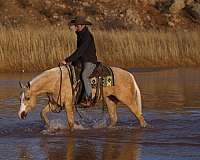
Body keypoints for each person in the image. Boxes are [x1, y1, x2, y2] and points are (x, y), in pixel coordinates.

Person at [61, 16, 97, 106]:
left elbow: (80, 51)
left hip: (90, 61)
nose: (75, 28)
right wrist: (71, 63)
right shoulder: (80, 34)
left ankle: (89, 98)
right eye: (75, 26)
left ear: (82, 25)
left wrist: (67, 60)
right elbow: (79, 52)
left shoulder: (87, 36)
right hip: (82, 61)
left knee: (84, 75)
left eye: (77, 26)